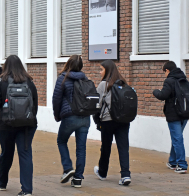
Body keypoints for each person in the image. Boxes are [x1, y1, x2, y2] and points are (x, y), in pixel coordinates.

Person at [0, 55, 38, 196]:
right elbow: (35, 105)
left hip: (6, 124)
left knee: (7, 153)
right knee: (25, 154)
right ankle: (27, 190)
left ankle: (2, 183)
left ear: (6, 66)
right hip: (27, 124)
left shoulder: (2, 81)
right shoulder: (29, 81)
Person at [52, 55, 90, 188]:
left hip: (70, 117)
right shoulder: (85, 79)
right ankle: (78, 179)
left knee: (61, 141)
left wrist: (57, 116)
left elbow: (56, 99)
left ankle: (68, 168)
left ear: (68, 64)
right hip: (85, 117)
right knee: (81, 148)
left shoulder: (63, 79)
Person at [93, 60, 131, 186]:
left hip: (108, 121)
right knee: (123, 147)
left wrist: (97, 120)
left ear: (107, 71)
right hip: (123, 121)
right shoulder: (123, 83)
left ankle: (103, 173)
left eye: (101, 69)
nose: (100, 72)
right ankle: (125, 175)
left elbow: (97, 105)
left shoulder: (104, 85)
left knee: (106, 147)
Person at [153, 61, 189, 174]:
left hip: (174, 115)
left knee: (177, 139)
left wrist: (155, 91)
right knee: (177, 138)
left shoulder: (169, 80)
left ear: (167, 70)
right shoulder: (183, 79)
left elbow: (163, 95)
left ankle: (182, 165)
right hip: (185, 113)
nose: (164, 74)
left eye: (164, 72)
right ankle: (172, 162)